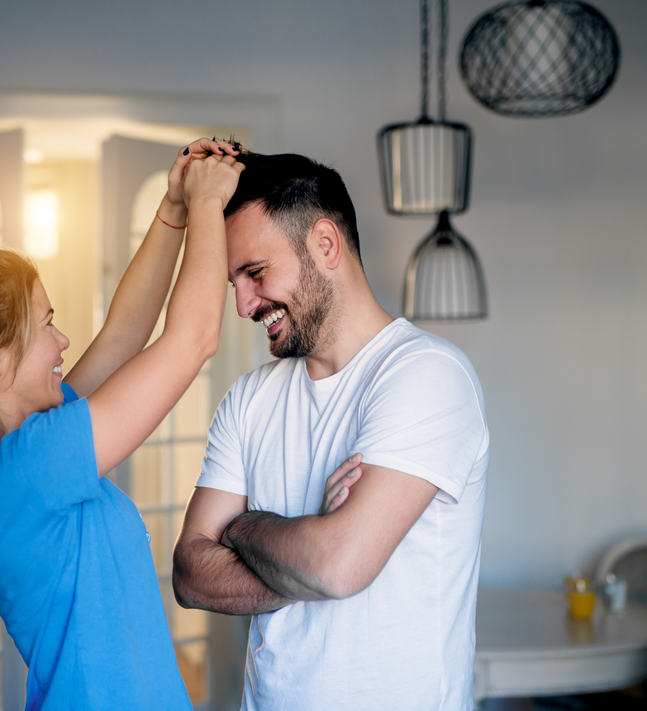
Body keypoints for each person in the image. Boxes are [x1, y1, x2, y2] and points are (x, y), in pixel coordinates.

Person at [0, 137, 243, 710]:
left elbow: (125, 335)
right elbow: (192, 340)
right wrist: (209, 204)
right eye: (46, 325)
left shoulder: (24, 450)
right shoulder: (25, 469)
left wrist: (175, 207)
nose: (63, 341)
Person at [172, 151, 489, 710]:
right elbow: (190, 574)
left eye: (255, 273)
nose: (243, 304)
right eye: (234, 283)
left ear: (324, 244)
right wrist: (310, 544)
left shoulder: (426, 374)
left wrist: (243, 527)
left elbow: (338, 567)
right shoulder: (248, 399)